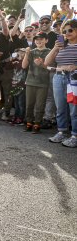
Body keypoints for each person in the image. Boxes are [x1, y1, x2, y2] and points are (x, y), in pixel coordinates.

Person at [44, 19, 77, 147]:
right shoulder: (61, 45)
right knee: (60, 107)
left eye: (70, 30)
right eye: (64, 31)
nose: (67, 33)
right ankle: (62, 132)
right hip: (58, 77)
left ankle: (75, 135)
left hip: (74, 78)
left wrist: (74, 66)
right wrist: (55, 48)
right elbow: (47, 62)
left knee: (74, 109)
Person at [22, 33, 51, 134]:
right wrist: (26, 53)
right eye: (37, 40)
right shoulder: (31, 51)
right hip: (30, 81)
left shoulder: (50, 52)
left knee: (40, 105)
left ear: (46, 40)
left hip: (43, 83)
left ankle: (37, 124)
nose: (39, 41)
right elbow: (24, 66)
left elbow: (51, 68)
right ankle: (29, 123)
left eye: (41, 39)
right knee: (29, 104)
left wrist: (42, 64)